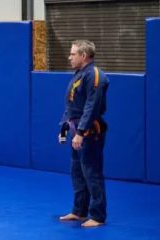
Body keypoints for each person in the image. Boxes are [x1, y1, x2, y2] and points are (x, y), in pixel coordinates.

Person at [58, 40, 109, 228]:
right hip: (75, 131)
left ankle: (98, 215)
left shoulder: (95, 75)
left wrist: (81, 132)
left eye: (73, 54)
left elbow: (91, 107)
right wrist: (64, 128)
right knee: (77, 172)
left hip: (89, 133)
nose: (69, 57)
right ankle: (79, 211)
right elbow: (72, 105)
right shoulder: (79, 75)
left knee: (92, 172)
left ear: (84, 56)